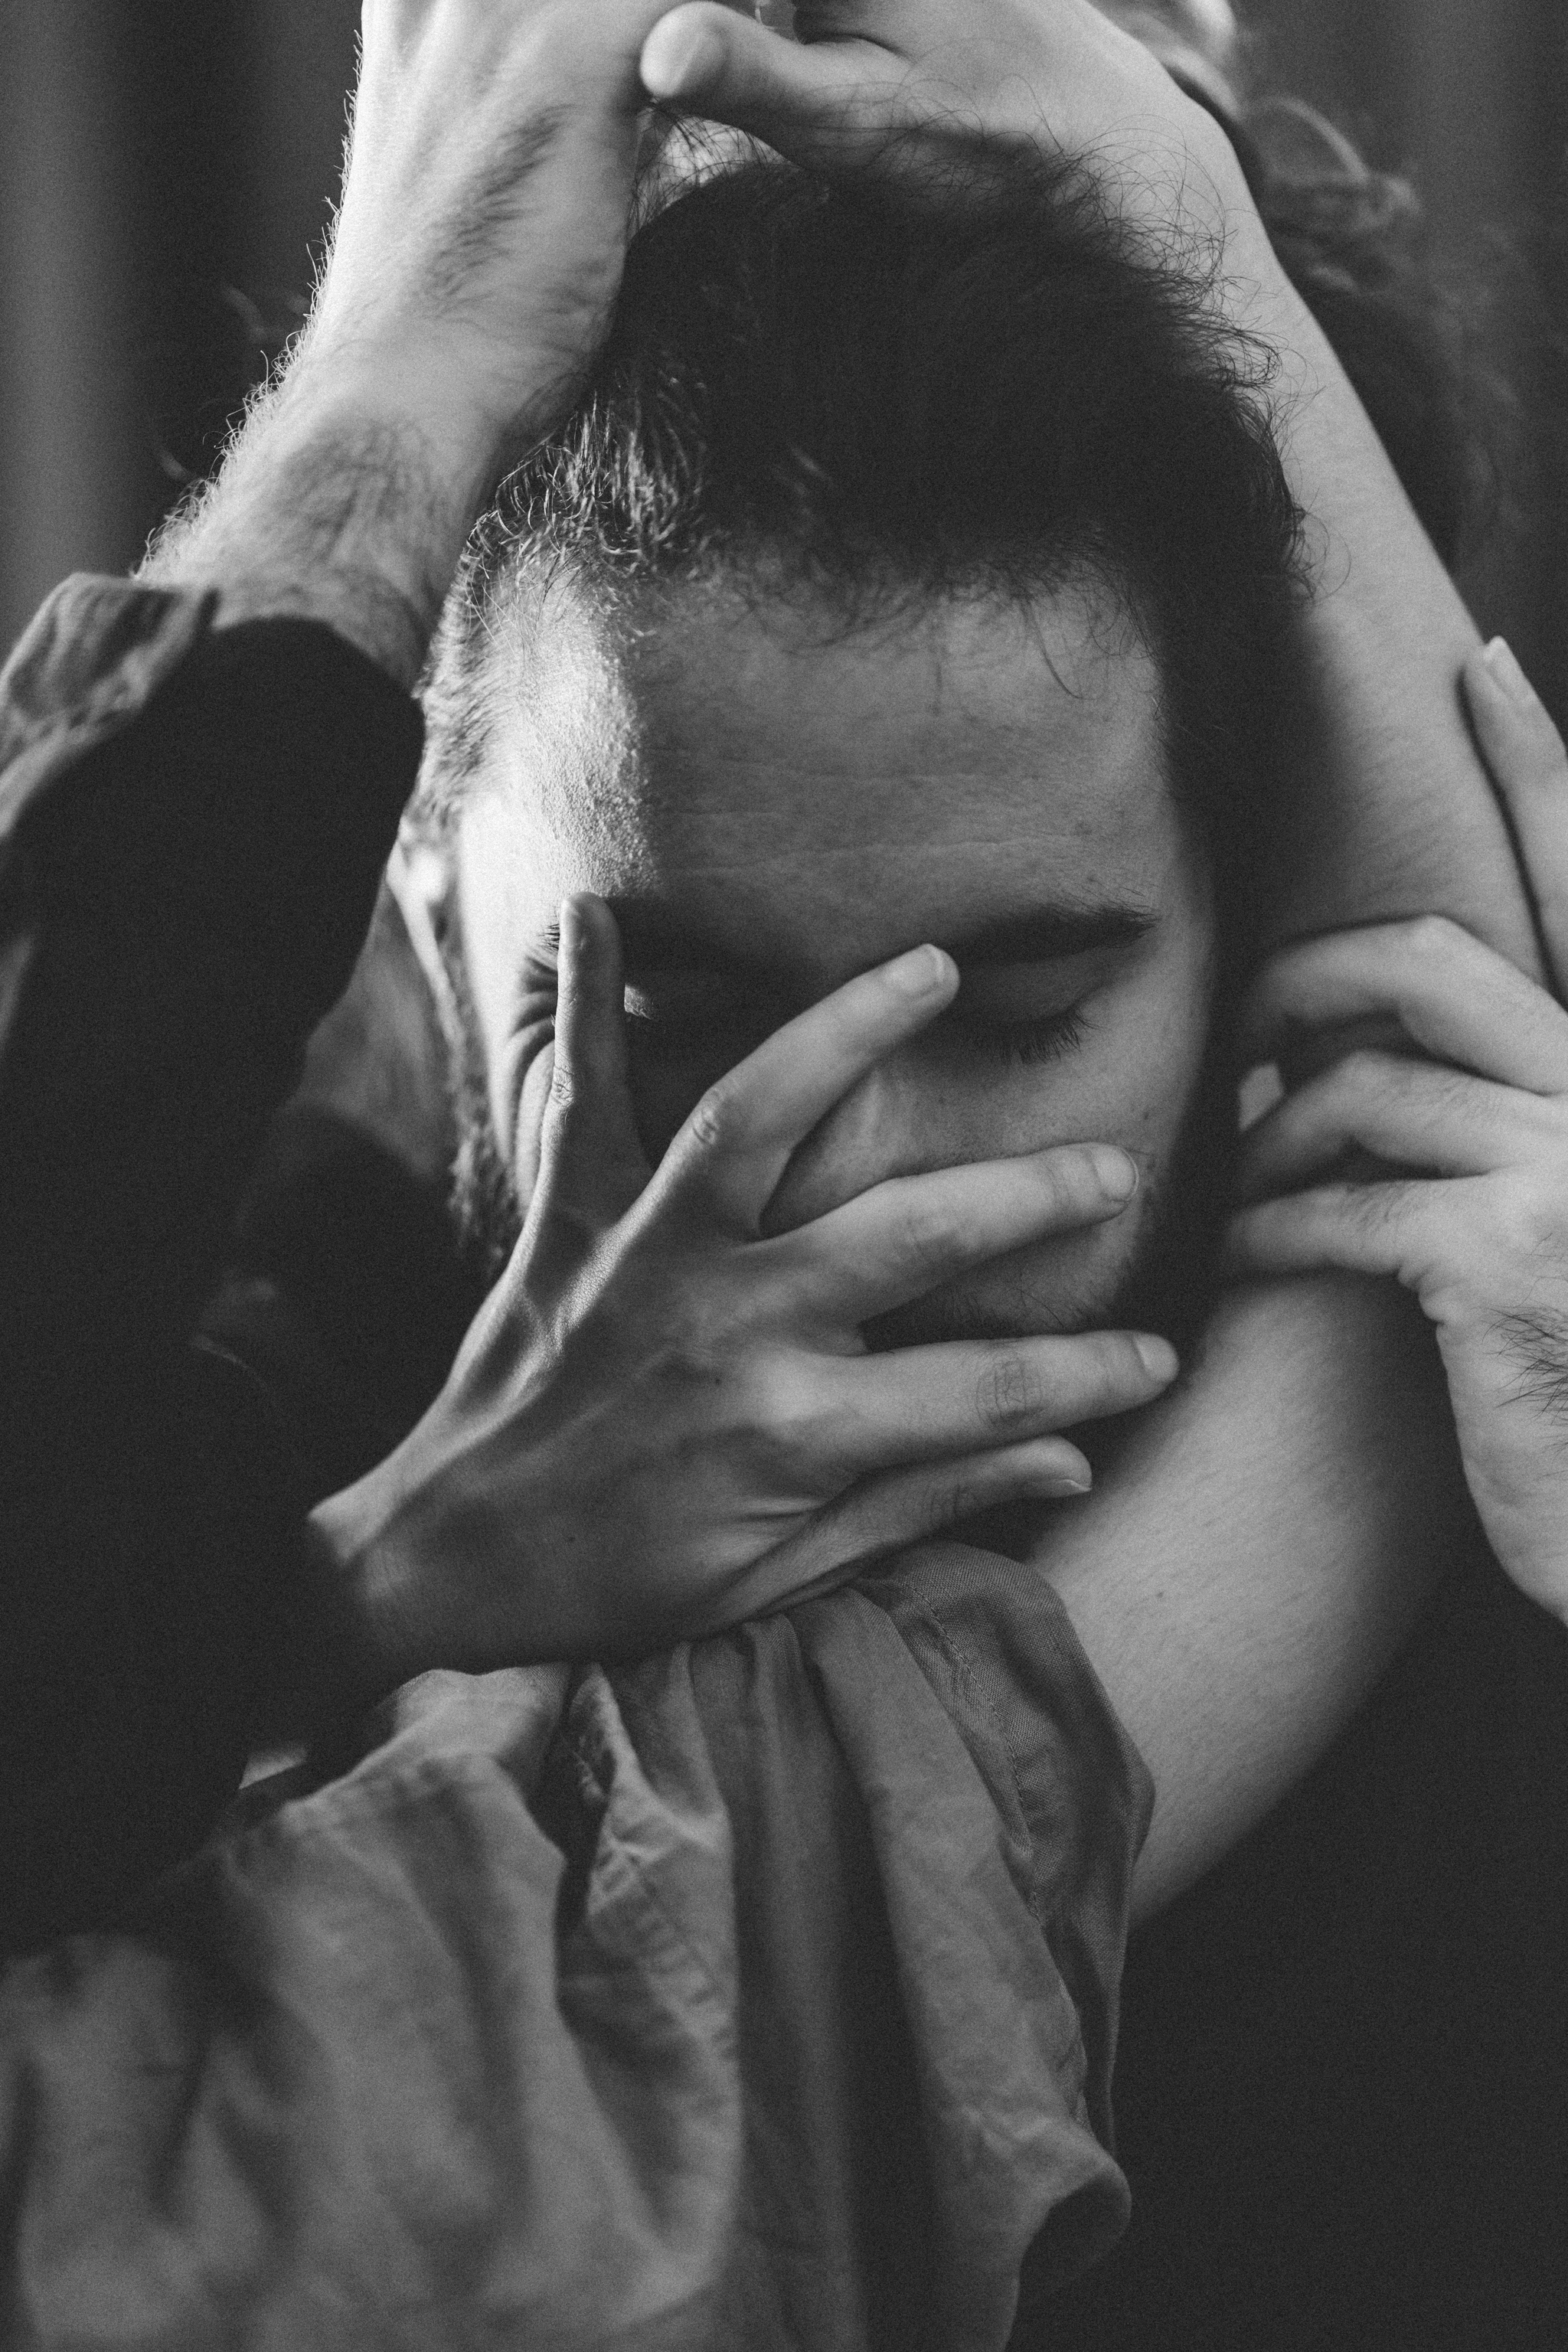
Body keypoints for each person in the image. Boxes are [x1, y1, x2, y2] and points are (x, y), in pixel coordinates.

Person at [0, 3, 1552, 2347]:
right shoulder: (198, 1416)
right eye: (679, 1015)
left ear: (1265, 962)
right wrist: (345, 1593)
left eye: (1019, 1012)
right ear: (418, 916)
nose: (844, 1188)